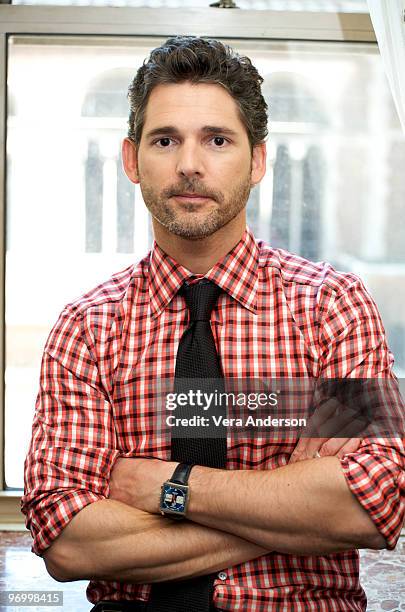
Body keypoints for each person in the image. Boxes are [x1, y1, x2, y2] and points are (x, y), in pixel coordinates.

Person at [21, 36, 404, 612]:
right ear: (131, 160)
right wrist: (288, 514)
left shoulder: (333, 306)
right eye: (165, 139)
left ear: (257, 160)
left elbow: (373, 503)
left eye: (217, 140)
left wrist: (168, 488)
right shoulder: (86, 329)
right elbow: (68, 544)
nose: (189, 164)